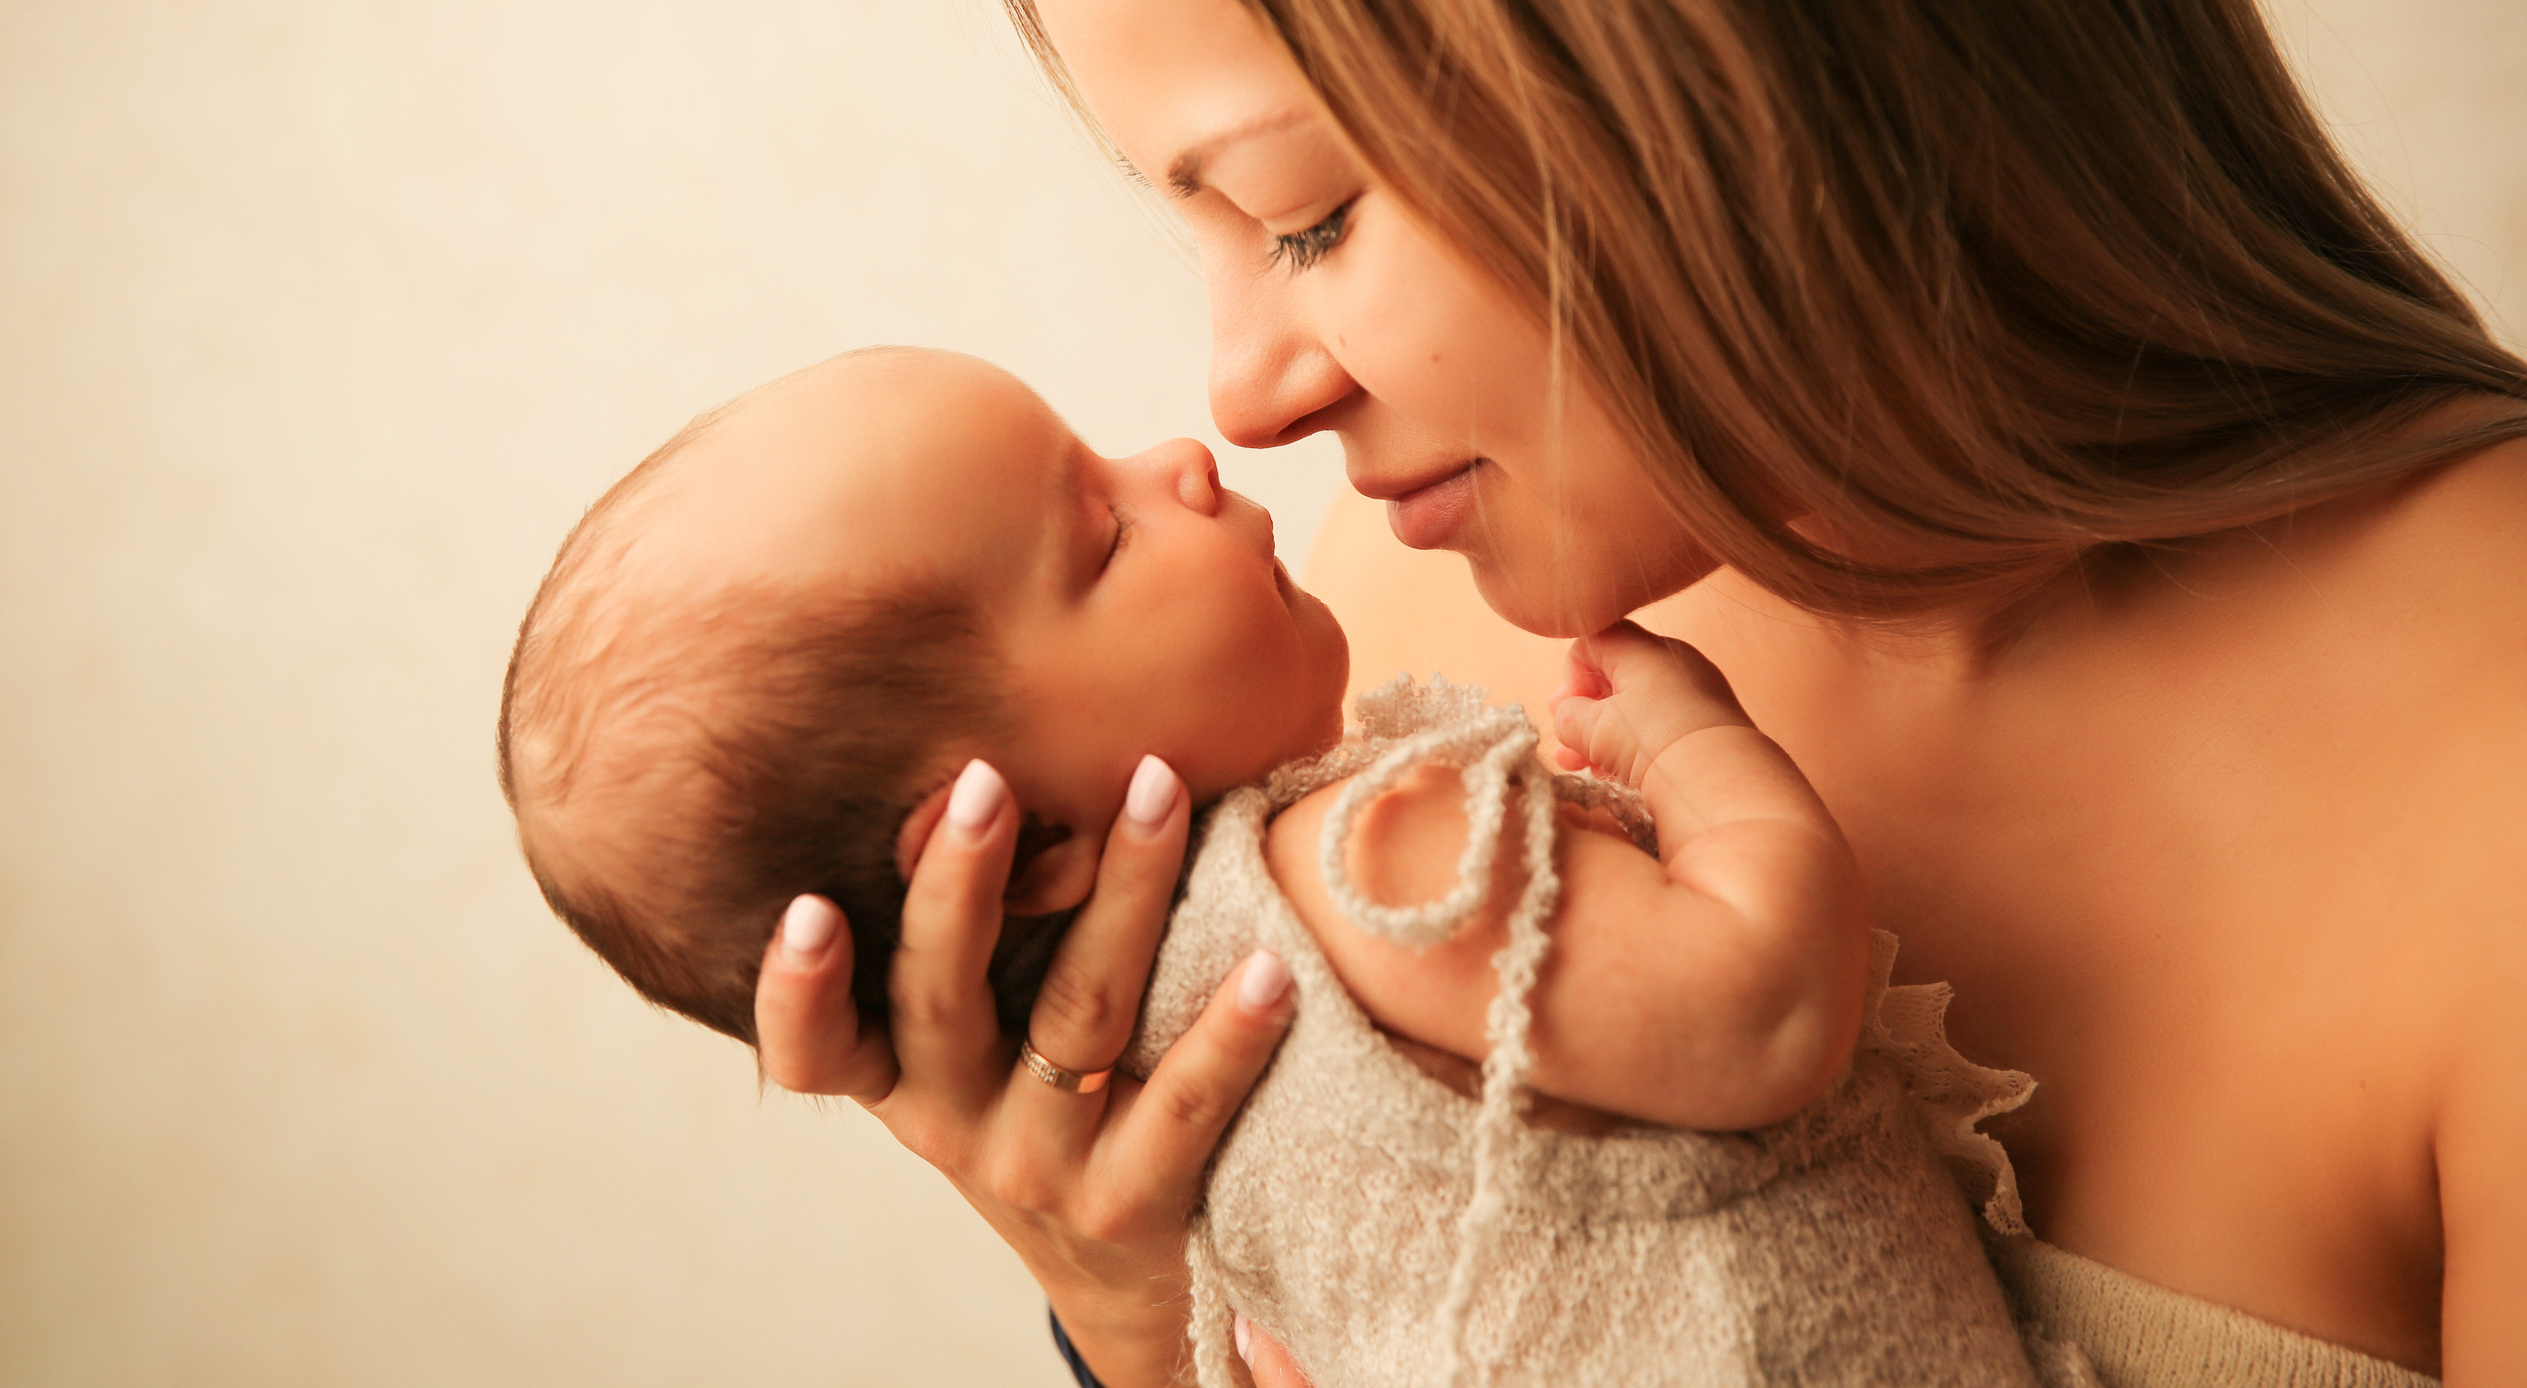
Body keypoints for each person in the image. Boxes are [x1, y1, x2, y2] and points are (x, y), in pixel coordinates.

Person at [752, 0, 2527, 1381]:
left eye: (1303, 216)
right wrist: (1137, 1321)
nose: (1242, 402)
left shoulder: (2486, 776)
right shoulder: (1372, 677)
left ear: (1740, 31)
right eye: (1188, 220)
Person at [498, 348, 2044, 1384]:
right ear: (1023, 844)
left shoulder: (1177, 1099)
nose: (1186, 451)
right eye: (1098, 537)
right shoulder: (1374, 854)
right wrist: (1695, 749)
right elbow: (1763, 1009)